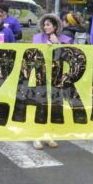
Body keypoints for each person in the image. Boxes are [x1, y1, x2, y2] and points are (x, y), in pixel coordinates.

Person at [30, 13, 72, 150]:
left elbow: (69, 57)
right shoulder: (37, 38)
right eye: (44, 24)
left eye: (48, 24)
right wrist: (45, 48)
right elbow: (32, 56)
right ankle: (36, 137)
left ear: (55, 26)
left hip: (57, 78)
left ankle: (49, 135)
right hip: (40, 77)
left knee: (54, 106)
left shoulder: (65, 40)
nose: (45, 27)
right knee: (40, 105)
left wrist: (57, 45)